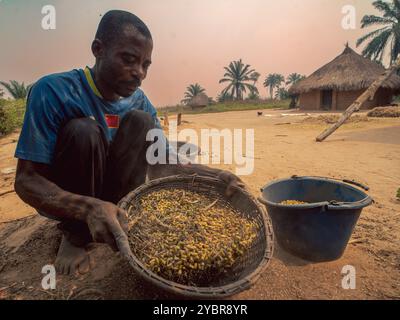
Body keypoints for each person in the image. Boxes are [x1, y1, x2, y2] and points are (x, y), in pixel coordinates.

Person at [14, 10, 244, 276]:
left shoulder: (140, 101)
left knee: (141, 121)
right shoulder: (53, 91)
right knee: (84, 130)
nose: (139, 73)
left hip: (114, 192)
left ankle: (118, 214)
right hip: (73, 195)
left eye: (146, 65)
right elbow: (26, 180)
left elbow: (164, 161)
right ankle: (75, 235)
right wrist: (87, 208)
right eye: (129, 60)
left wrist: (218, 176)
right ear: (98, 49)